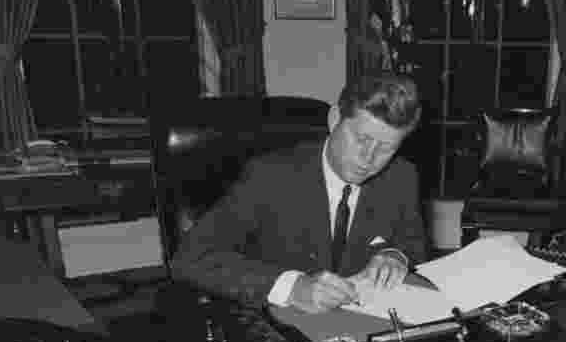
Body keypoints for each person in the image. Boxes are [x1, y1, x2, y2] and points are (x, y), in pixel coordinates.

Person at [171, 73, 428, 314]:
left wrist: (395, 257)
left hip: (358, 326)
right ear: (334, 119)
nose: (368, 159)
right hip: (276, 323)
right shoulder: (269, 176)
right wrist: (292, 287)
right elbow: (190, 258)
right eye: (361, 139)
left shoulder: (401, 177)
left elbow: (413, 243)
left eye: (386, 148)